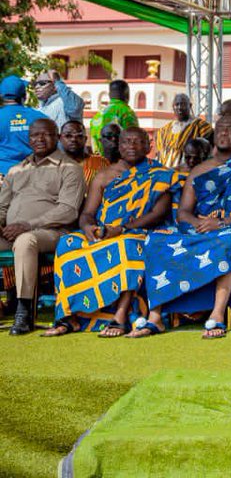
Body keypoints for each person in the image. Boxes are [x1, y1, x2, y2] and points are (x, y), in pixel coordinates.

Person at [135, 114, 231, 339]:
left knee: (229, 239)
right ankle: (155, 317)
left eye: (230, 129)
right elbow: (184, 212)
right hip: (202, 228)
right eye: (220, 128)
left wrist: (222, 222)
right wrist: (200, 224)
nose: (224, 133)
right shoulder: (199, 170)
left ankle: (217, 313)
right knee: (156, 240)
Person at [44, 128, 180, 337]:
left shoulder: (161, 175)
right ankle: (68, 316)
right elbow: (87, 213)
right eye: (126, 142)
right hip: (103, 232)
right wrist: (88, 228)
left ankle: (120, 316)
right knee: (67, 243)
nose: (131, 146)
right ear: (119, 146)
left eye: (137, 142)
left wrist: (122, 229)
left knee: (126, 245)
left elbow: (157, 214)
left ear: (148, 146)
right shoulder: (104, 175)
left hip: (138, 231)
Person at [0, 119, 85, 335]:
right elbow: (2, 207)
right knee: (21, 239)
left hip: (52, 232)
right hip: (11, 232)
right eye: (34, 135)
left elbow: (68, 210)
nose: (40, 139)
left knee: (26, 240)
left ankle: (24, 313)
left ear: (57, 137)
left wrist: (27, 225)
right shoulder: (16, 170)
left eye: (46, 134)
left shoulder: (69, 168)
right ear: (28, 139)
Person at [0, 76, 48, 177]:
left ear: (1, 96)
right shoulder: (40, 117)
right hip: (32, 174)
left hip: (3, 174)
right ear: (24, 96)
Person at [153, 94, 212, 169]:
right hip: (165, 173)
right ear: (173, 107)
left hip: (189, 172)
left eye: (183, 104)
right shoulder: (163, 131)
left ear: (190, 105)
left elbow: (207, 153)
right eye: (177, 105)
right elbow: (158, 154)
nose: (179, 108)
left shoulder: (201, 126)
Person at [88, 79, 138, 153]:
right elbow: (134, 140)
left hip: (99, 159)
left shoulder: (98, 115)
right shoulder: (127, 112)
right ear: (127, 95)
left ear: (109, 95)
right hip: (120, 158)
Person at [60, 120, 111, 186]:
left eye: (79, 136)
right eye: (68, 136)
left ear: (85, 139)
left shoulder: (101, 162)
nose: (73, 139)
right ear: (60, 138)